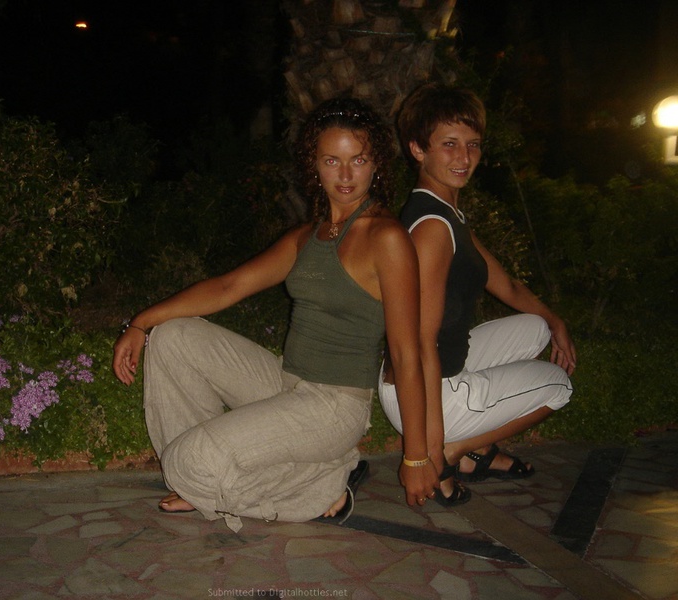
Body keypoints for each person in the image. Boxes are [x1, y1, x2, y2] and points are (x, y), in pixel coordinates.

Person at [112, 98, 440, 532]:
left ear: (376, 163)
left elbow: (406, 351)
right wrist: (142, 322)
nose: (345, 175)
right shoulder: (308, 236)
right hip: (285, 382)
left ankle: (318, 484)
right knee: (173, 336)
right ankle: (208, 475)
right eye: (332, 161)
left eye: (358, 160)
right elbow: (228, 287)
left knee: (186, 462)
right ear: (314, 165)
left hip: (333, 407)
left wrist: (416, 456)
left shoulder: (387, 239)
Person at [378, 83, 576, 503]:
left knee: (536, 328)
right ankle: (459, 449)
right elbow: (421, 343)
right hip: (423, 395)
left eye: (473, 144)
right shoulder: (433, 229)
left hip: (431, 373)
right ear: (417, 149)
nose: (464, 158)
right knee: (559, 386)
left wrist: (556, 321)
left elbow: (506, 285)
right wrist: (427, 452)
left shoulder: (447, 212)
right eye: (449, 144)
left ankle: (470, 444)